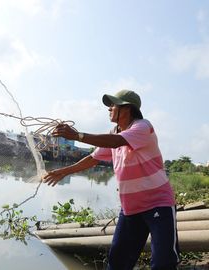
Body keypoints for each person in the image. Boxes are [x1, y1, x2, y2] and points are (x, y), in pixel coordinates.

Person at [43, 90, 180, 270]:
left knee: (163, 263)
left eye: (113, 105)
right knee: (117, 262)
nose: (109, 108)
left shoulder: (142, 127)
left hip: (158, 204)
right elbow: (94, 158)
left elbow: (116, 141)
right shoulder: (114, 133)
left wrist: (78, 136)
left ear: (127, 109)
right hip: (131, 208)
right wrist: (64, 171)